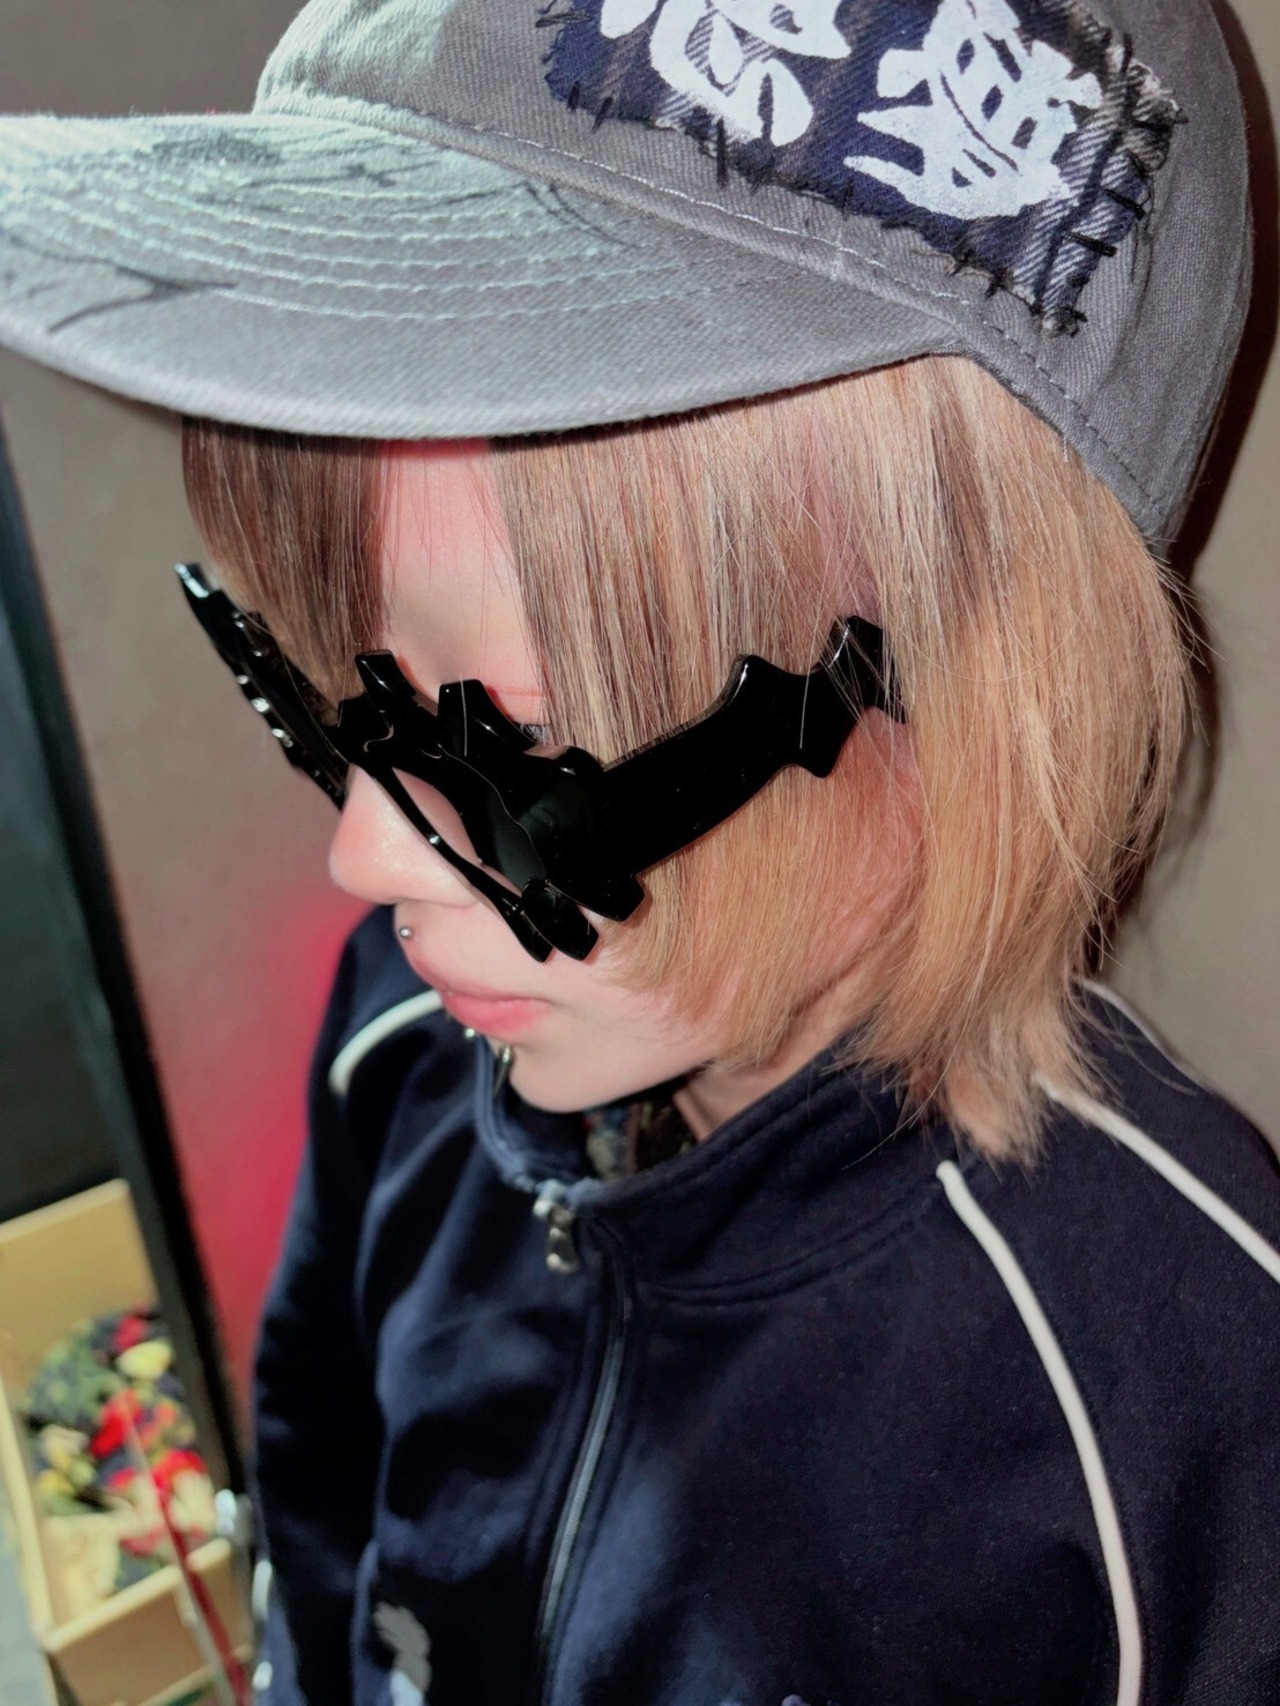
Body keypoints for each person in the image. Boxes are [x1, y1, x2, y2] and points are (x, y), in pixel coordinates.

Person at [0, 0, 1277, 1702]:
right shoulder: (405, 1040)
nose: (366, 857)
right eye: (308, 690)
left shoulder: (1171, 1412)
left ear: (982, 693)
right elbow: (320, 1511)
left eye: (511, 755)